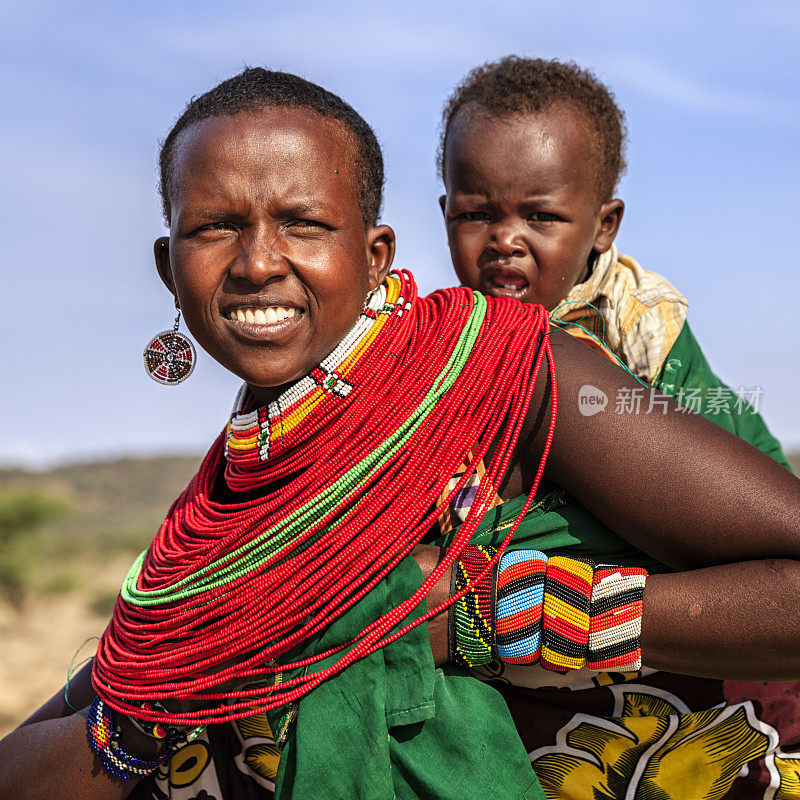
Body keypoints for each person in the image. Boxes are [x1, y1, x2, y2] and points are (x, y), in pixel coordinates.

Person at [2, 67, 800, 800]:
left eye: (304, 223)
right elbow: (45, 749)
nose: (256, 262)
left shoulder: (502, 374)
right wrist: (159, 705)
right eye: (214, 227)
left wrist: (488, 616)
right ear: (168, 267)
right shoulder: (213, 518)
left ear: (376, 253)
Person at [435, 55, 798, 798]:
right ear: (445, 211)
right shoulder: (437, 347)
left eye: (540, 217)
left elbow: (756, 494)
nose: (505, 239)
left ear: (603, 226)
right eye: (478, 213)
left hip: (652, 648)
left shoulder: (642, 329)